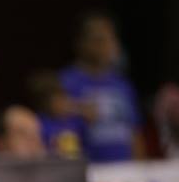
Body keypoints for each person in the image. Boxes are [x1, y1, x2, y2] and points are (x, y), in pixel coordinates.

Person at [60, 12, 144, 162]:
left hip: (125, 170)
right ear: (81, 43)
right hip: (88, 170)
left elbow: (134, 132)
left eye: (110, 38)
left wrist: (140, 168)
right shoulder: (66, 83)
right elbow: (57, 131)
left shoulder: (122, 85)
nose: (106, 45)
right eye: (98, 40)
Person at [29, 70, 87, 158]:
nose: (62, 104)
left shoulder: (76, 121)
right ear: (45, 103)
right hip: (53, 167)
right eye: (56, 101)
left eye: (63, 99)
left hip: (76, 166)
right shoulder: (38, 124)